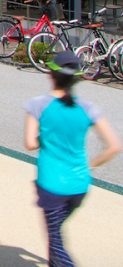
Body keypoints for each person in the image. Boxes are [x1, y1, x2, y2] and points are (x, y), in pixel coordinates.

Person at [24, 49, 120, 267]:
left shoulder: (38, 105)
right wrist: (89, 167)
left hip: (51, 185)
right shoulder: (88, 108)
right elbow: (114, 147)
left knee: (56, 244)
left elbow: (30, 143)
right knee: (55, 237)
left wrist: (46, 135)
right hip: (79, 185)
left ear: (51, 75)